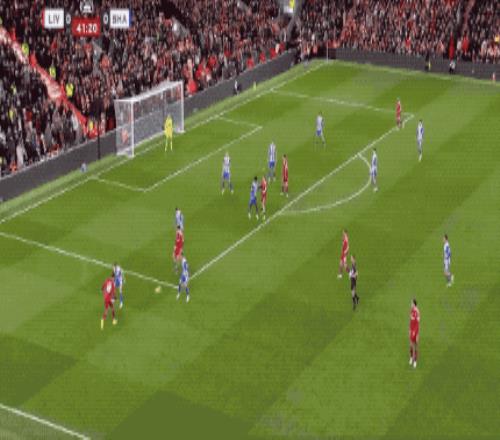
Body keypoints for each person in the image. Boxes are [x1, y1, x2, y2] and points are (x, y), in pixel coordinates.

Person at [409, 298, 420, 368]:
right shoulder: (411, 310)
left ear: (414, 304)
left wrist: (415, 332)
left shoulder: (417, 312)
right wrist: (410, 329)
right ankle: (411, 358)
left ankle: (415, 361)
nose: (411, 304)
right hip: (411, 329)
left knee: (415, 345)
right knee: (410, 345)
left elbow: (417, 324)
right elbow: (411, 321)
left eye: (411, 303)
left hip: (416, 331)